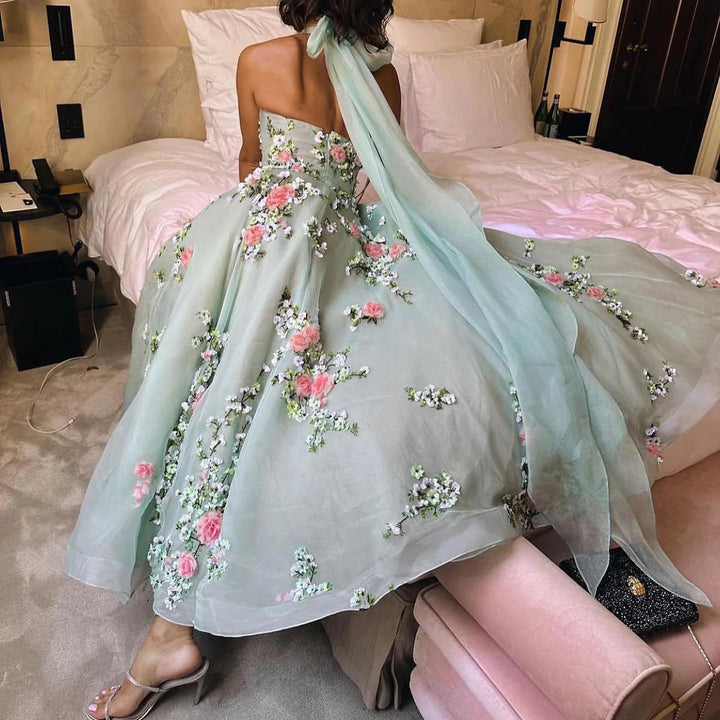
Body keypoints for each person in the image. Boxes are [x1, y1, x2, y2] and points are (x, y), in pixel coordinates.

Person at [69, 1, 720, 718]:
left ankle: (171, 630)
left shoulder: (257, 59)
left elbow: (250, 164)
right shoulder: (383, 76)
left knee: (213, 360)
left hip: (265, 232)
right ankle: (173, 629)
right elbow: (378, 177)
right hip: (341, 236)